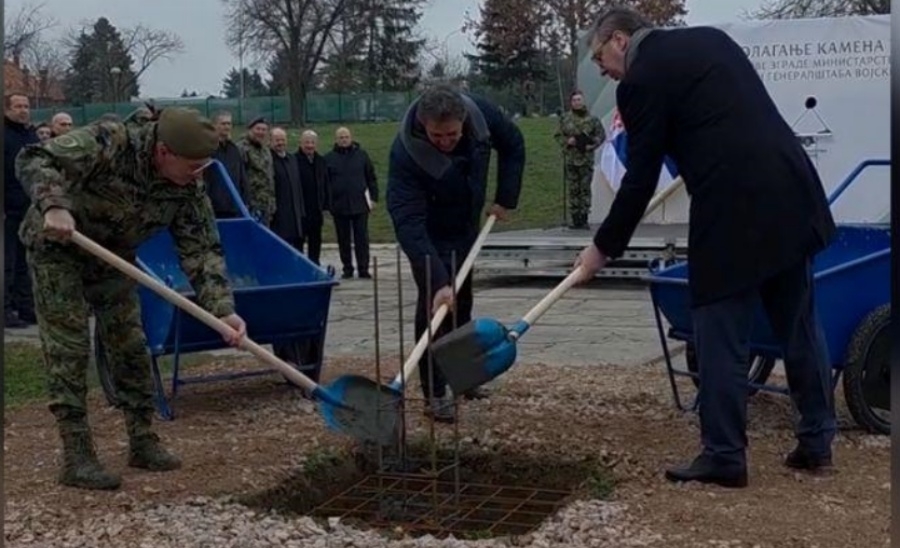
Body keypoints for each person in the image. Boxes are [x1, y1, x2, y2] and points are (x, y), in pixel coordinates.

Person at [574, 7, 837, 488]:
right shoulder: (710, 42)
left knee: (717, 333)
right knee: (798, 323)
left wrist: (601, 249)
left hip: (733, 212)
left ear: (618, 39)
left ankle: (724, 454)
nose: (603, 72)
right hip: (792, 191)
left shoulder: (641, 81)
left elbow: (638, 181)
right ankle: (818, 441)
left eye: (599, 59)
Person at [15, 107, 248, 491]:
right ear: (163, 152)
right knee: (68, 347)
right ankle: (77, 455)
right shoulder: (112, 141)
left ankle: (142, 441)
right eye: (192, 165)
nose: (198, 174)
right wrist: (54, 204)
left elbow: (203, 250)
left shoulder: (188, 187)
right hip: (59, 246)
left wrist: (224, 312)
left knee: (130, 345)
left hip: (114, 257)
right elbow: (35, 157)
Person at [386, 84, 525, 422]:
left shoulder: (481, 115)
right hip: (430, 233)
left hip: (467, 223)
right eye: (438, 136)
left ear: (463, 121)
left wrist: (505, 196)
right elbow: (408, 222)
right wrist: (437, 279)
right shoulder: (405, 153)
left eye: (452, 134)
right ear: (423, 122)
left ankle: (462, 378)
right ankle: (434, 391)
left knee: (462, 301)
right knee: (435, 306)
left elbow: (514, 144)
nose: (446, 141)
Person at [4, 93, 40, 328]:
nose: (23, 110)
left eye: (26, 106)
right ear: (6, 110)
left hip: (28, 208)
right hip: (7, 208)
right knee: (6, 262)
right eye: (18, 106)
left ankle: (26, 307)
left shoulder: (31, 135)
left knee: (24, 263)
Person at [324, 127, 378, 279]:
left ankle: (363, 268)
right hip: (339, 206)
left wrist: (373, 198)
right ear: (336, 139)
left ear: (351, 138)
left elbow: (371, 178)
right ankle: (347, 268)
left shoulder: (362, 156)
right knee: (343, 239)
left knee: (362, 238)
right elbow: (325, 183)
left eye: (346, 136)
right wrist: (327, 204)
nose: (343, 139)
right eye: (340, 137)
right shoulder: (328, 158)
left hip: (360, 204)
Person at [555, 90, 605, 229]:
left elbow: (601, 136)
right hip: (571, 159)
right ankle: (575, 218)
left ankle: (584, 218)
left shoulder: (593, 119)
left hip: (586, 159)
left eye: (579, 100)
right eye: (575, 100)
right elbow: (558, 136)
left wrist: (592, 144)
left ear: (583, 101)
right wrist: (567, 141)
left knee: (585, 189)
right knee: (573, 189)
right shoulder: (565, 119)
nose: (577, 102)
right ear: (571, 103)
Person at [203, 110, 249, 218]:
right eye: (223, 123)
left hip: (235, 206)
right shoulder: (207, 149)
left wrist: (246, 200)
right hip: (214, 208)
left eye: (229, 123)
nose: (227, 127)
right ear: (214, 125)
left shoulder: (234, 149)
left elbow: (242, 176)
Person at [296, 129, 330, 265]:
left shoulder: (321, 161)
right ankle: (299, 266)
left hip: (316, 210)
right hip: (301, 210)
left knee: (316, 241)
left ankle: (314, 265)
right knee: (299, 241)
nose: (309, 145)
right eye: (307, 142)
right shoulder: (294, 160)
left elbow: (325, 183)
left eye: (312, 142)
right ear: (301, 143)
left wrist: (326, 205)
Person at [239, 117, 276, 225]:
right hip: (250, 205)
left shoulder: (266, 150)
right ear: (250, 130)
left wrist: (272, 203)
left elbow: (270, 176)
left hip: (266, 205)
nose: (261, 132)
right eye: (258, 129)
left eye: (264, 130)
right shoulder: (242, 149)